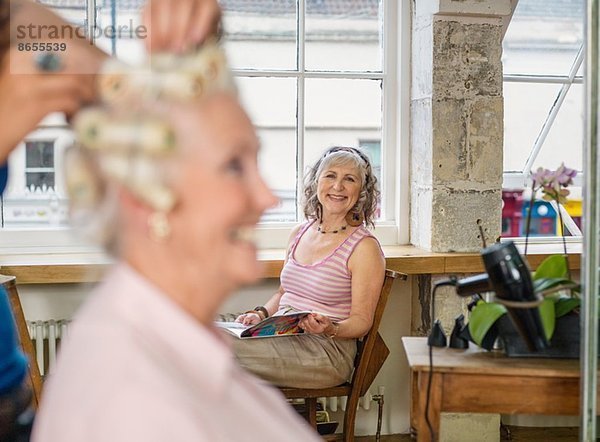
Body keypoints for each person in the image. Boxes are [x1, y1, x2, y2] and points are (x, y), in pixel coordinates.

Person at [30, 40, 320, 441]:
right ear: (145, 200)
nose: (267, 196)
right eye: (234, 165)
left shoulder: (175, 345)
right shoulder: (134, 405)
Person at [232, 146, 386, 389]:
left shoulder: (364, 248)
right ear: (316, 182)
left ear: (362, 191)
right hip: (279, 334)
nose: (338, 187)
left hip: (325, 351)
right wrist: (260, 314)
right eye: (330, 176)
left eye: (349, 179)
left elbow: (362, 321)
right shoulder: (299, 232)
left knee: (214, 349)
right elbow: (283, 293)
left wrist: (330, 328)